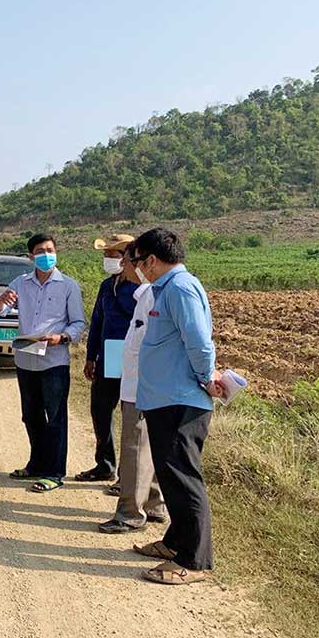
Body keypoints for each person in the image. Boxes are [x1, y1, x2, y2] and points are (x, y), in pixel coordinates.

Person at [129, 228, 224, 585]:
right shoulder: (166, 289)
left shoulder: (180, 288)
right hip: (164, 399)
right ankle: (175, 542)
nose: (138, 268)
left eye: (138, 261)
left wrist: (206, 377)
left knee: (184, 478)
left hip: (180, 400)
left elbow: (199, 341)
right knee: (170, 475)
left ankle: (194, 561)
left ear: (152, 260)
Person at [0, 233, 86, 492]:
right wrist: (1, 301)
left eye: (50, 250)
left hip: (54, 360)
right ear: (31, 256)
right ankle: (36, 464)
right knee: (31, 416)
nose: (46, 255)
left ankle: (54, 472)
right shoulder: (20, 283)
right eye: (40, 251)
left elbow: (78, 322)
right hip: (25, 359)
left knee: (55, 418)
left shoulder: (69, 286)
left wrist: (62, 337)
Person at [97, 242, 168, 534]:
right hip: (137, 380)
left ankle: (129, 513)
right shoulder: (145, 294)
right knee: (148, 447)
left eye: (124, 261)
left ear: (142, 263)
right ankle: (154, 504)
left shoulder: (154, 295)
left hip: (145, 384)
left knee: (135, 447)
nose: (122, 267)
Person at [76, 234, 138, 486]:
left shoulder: (139, 288)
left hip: (133, 355)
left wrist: (122, 287)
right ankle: (105, 464)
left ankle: (129, 476)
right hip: (109, 352)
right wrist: (91, 357)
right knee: (101, 409)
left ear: (127, 258)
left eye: (112, 255)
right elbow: (98, 323)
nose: (108, 259)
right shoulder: (105, 285)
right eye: (106, 255)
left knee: (131, 416)